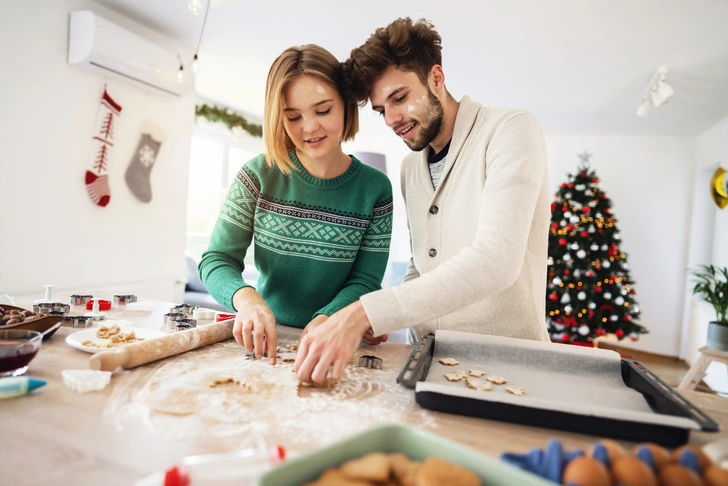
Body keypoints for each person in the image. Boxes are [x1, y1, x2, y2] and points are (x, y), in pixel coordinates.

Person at [295, 18, 550, 383]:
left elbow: (497, 260)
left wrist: (367, 312)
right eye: (382, 109)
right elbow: (421, 265)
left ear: (436, 78)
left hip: (510, 369)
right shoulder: (411, 167)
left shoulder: (509, 130)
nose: (392, 120)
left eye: (399, 98)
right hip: (426, 363)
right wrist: (386, 317)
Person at [199, 44, 393, 364]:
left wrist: (327, 319)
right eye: (293, 116)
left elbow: (366, 280)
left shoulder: (375, 188)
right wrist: (249, 302)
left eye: (323, 110)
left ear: (346, 105)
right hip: (265, 343)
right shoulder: (257, 175)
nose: (309, 128)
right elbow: (216, 259)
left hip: (335, 340)